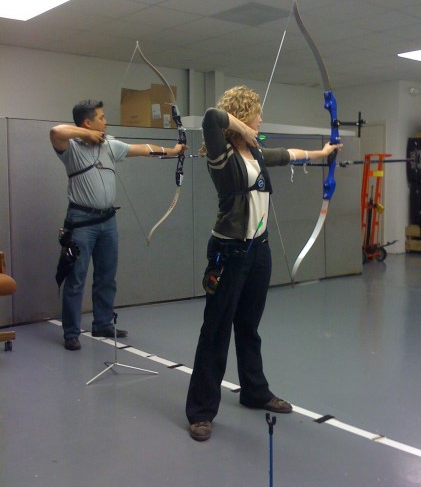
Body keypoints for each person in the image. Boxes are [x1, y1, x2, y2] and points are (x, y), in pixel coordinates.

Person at [185, 86, 342, 442]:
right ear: (241, 115)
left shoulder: (254, 151)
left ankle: (255, 392)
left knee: (249, 327)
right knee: (215, 331)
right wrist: (241, 127)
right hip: (229, 252)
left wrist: (322, 152)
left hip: (259, 251)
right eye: (256, 112)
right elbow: (212, 117)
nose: (260, 119)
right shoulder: (220, 153)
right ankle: (201, 411)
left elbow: (286, 154)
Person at [50, 100, 187, 351]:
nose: (106, 121)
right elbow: (56, 132)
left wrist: (173, 151)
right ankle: (71, 332)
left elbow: (144, 149)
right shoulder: (71, 148)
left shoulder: (110, 145)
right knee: (76, 277)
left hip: (107, 221)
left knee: (107, 275)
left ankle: (102, 323)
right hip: (81, 222)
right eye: (101, 118)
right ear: (88, 122)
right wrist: (87, 135)